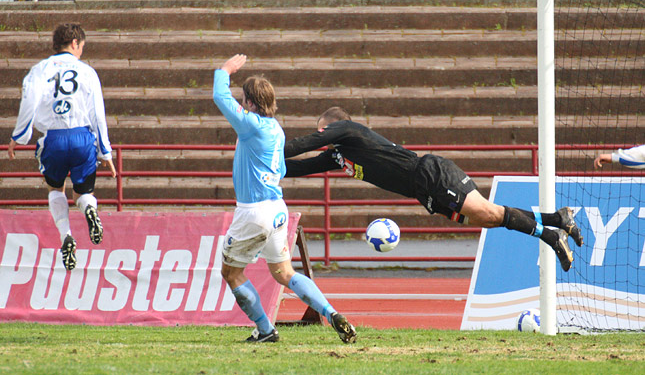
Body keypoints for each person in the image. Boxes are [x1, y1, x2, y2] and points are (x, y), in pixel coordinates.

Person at [284, 107, 585, 272]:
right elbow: (298, 166)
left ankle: (550, 236)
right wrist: (265, 166)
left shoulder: (350, 131)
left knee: (490, 213)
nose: (322, 136)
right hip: (423, 190)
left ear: (335, 127)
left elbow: (302, 144)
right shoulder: (338, 155)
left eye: (324, 130)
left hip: (431, 174)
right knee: (488, 219)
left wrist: (269, 146)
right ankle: (557, 219)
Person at [212, 55, 357, 344]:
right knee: (284, 272)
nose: (240, 104)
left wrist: (224, 70)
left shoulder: (250, 124)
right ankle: (331, 313)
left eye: (244, 100)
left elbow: (219, 95)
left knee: (230, 272)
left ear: (251, 103)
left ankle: (265, 329)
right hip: (278, 209)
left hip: (254, 211)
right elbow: (281, 168)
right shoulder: (276, 128)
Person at [7, 23, 116, 271]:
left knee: (55, 188)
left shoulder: (39, 70)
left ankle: (66, 236)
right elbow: (98, 114)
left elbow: (30, 101)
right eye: (82, 48)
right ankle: (89, 209)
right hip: (82, 138)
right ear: (75, 43)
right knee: (83, 192)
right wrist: (105, 151)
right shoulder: (87, 72)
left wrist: (19, 136)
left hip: (53, 139)